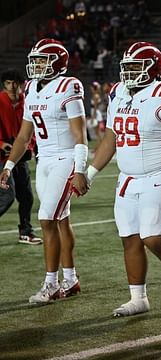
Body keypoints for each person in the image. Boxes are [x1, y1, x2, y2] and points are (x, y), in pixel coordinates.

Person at [83, 42, 161, 317]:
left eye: (135, 67)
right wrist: (90, 173)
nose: (128, 72)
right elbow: (112, 138)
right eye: (126, 67)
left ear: (153, 69)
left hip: (158, 176)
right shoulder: (118, 93)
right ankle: (138, 298)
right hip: (127, 179)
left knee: (153, 238)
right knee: (129, 238)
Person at [0, 39, 88, 303]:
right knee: (60, 219)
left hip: (66, 157)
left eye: (42, 61)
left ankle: (51, 284)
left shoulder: (69, 85)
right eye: (35, 60)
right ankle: (71, 280)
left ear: (56, 63)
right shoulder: (32, 89)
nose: (36, 65)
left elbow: (79, 132)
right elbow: (24, 135)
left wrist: (81, 169)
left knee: (47, 219)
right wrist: (8, 165)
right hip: (45, 159)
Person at [0, 69, 42, 245]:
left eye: (15, 82)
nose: (12, 86)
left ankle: (26, 232)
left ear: (22, 84)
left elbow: (32, 130)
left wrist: (30, 147)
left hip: (21, 155)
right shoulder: (0, 101)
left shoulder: (28, 102)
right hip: (2, 157)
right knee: (7, 196)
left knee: (27, 197)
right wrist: (1, 144)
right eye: (8, 82)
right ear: (4, 84)